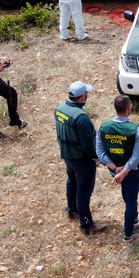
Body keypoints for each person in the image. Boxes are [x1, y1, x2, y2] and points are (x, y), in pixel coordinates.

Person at [56, 81, 106, 234]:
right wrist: (96, 157)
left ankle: (72, 208)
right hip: (81, 159)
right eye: (87, 94)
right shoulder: (81, 118)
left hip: (67, 154)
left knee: (72, 182)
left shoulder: (60, 109)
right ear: (83, 95)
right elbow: (87, 144)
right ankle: (86, 224)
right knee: (84, 190)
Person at [95, 95, 139, 243]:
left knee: (127, 197)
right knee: (131, 201)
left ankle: (134, 218)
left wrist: (115, 169)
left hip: (115, 171)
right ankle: (128, 233)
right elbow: (137, 156)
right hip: (131, 172)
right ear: (129, 108)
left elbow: (100, 152)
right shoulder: (135, 129)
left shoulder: (103, 127)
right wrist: (124, 172)